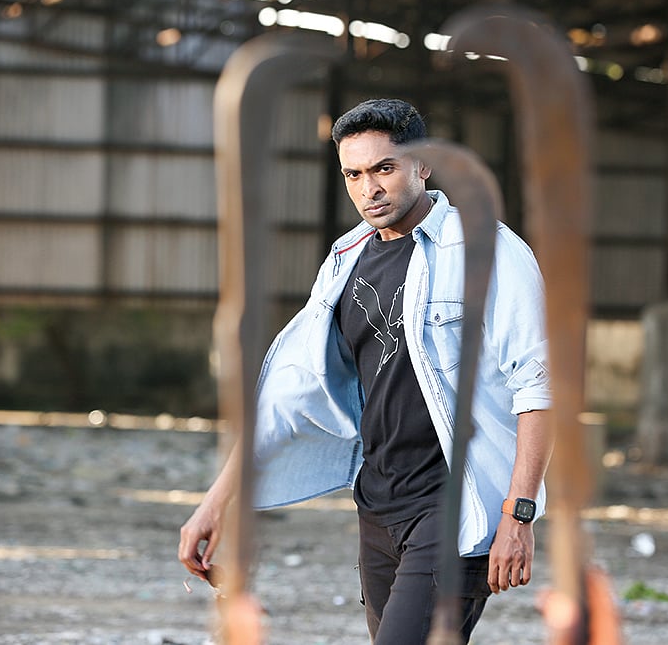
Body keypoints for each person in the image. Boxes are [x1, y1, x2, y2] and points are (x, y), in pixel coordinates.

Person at [179, 98, 553, 644]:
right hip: (377, 506)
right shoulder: (345, 259)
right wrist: (215, 505)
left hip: (453, 508)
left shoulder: (486, 250)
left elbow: (539, 386)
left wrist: (518, 517)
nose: (368, 189)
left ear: (422, 165)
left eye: (384, 168)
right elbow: (288, 396)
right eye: (353, 174)